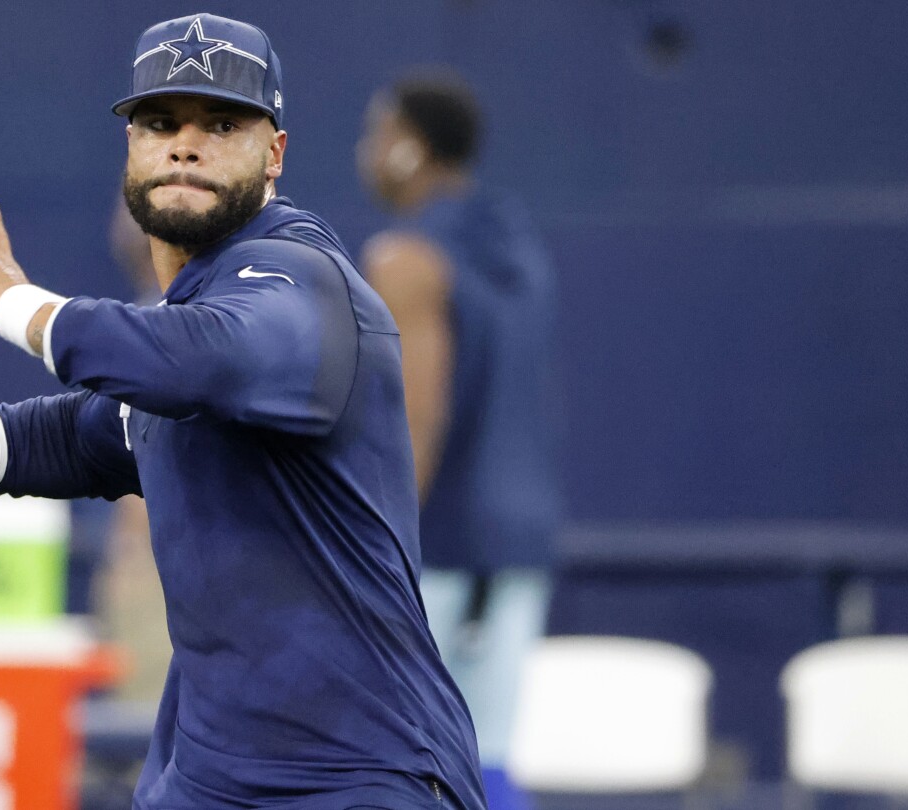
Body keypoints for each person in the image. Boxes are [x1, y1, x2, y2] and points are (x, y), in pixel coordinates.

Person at [0, 14, 488, 810]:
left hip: (359, 775)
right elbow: (73, 433)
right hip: (213, 775)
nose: (185, 145)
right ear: (130, 147)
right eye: (160, 123)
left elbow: (207, 360)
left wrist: (20, 305)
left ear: (275, 155)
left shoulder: (300, 275)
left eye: (221, 123)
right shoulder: (184, 319)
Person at [356, 72, 562, 808]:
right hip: (518, 541)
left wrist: (375, 551)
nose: (366, 152)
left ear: (410, 149)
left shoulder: (405, 260)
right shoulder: (518, 247)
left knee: (406, 766)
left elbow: (416, 419)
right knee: (491, 755)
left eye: (376, 134)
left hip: (439, 545)